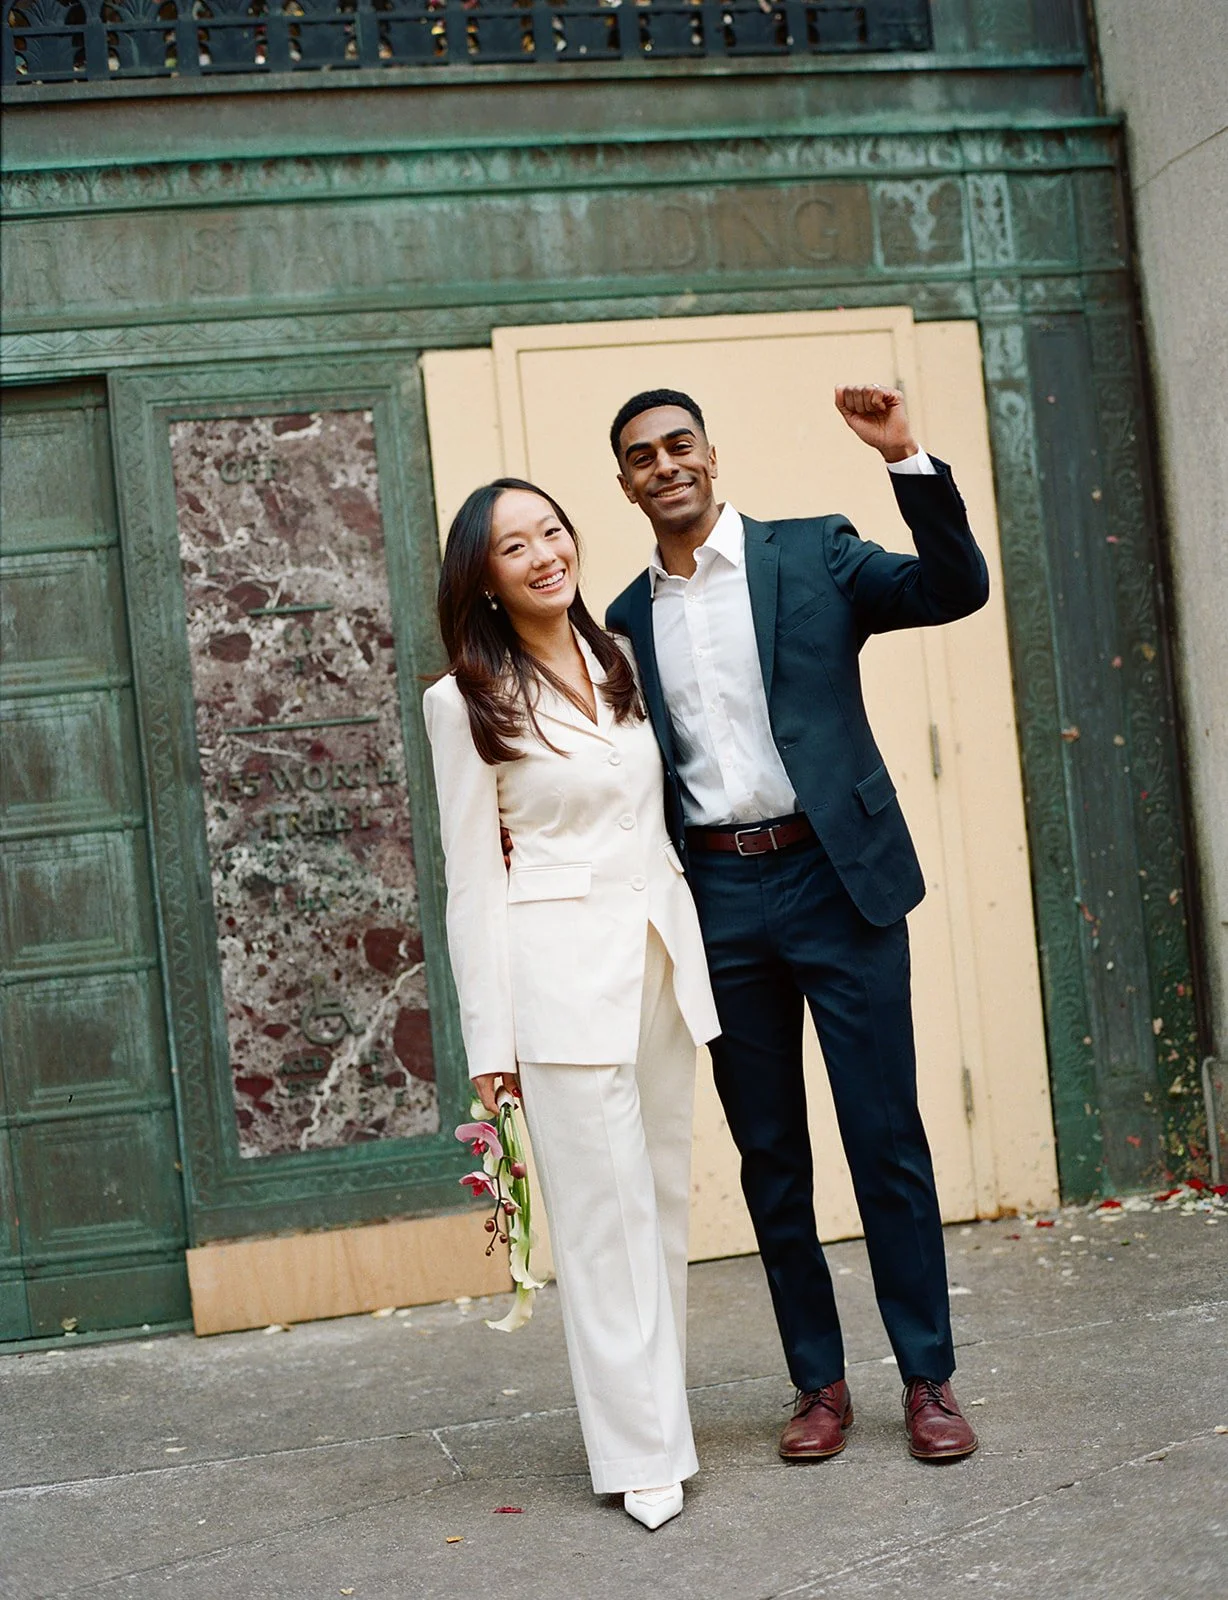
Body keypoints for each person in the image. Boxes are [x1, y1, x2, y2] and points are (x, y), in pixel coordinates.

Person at [604, 383, 988, 1464]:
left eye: (680, 443)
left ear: (710, 455)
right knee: (769, 1154)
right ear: (625, 481)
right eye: (642, 455)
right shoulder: (624, 622)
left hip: (838, 878)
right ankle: (816, 1383)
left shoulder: (814, 553)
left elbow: (956, 588)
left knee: (885, 1138)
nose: (665, 464)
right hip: (719, 898)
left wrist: (904, 456)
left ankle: (927, 1377)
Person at [422, 477, 720, 1529]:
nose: (546, 552)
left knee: (665, 1202)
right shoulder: (459, 701)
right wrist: (488, 1041)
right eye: (516, 545)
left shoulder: (620, 659)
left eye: (552, 529)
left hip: (657, 963)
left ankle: (660, 1412)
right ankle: (641, 1456)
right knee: (601, 1225)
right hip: (556, 980)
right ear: (486, 578)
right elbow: (472, 878)